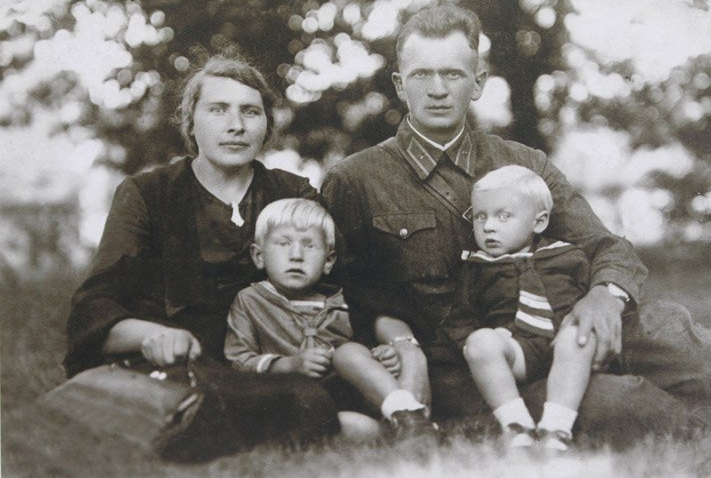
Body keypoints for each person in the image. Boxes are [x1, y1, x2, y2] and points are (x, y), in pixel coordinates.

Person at [321, 3, 711, 439]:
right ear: (400, 84)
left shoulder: (523, 161)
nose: (437, 89)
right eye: (422, 75)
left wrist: (604, 297)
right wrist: (392, 351)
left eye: (453, 74)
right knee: (620, 404)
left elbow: (605, 246)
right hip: (474, 363)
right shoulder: (355, 179)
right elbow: (339, 297)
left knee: (687, 347)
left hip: (569, 328)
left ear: (477, 83)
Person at [64, 53, 340, 457]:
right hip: (174, 365)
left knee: (307, 398)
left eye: (250, 112)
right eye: (218, 110)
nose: (236, 125)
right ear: (191, 122)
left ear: (266, 126)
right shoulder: (148, 194)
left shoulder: (292, 194)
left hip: (266, 369)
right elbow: (95, 305)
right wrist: (151, 335)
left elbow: (334, 288)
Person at [224, 198, 437, 439]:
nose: (296, 255)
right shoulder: (250, 300)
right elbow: (238, 360)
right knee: (352, 426)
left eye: (309, 246)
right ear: (258, 256)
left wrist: (381, 356)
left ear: (328, 261)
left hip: (352, 395)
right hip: (298, 400)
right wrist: (289, 365)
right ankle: (406, 431)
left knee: (349, 352)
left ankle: (408, 415)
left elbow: (363, 349)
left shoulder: (343, 301)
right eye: (283, 243)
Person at [442, 165, 596, 451]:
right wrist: (485, 342)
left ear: (538, 223)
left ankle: (556, 429)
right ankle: (517, 426)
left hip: (565, 350)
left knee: (580, 334)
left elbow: (588, 298)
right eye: (480, 216)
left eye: (503, 216)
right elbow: (459, 320)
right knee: (480, 342)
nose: (488, 226)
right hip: (516, 353)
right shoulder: (476, 269)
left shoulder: (567, 256)